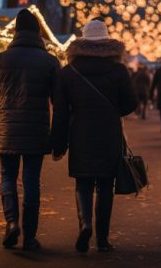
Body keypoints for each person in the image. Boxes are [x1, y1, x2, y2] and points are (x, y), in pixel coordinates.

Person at [0, 9, 61, 251]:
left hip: (7, 132)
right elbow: (60, 104)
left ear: (15, 32)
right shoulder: (50, 62)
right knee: (32, 182)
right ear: (37, 32)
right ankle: (31, 237)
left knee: (7, 178)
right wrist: (57, 138)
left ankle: (11, 223)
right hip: (37, 133)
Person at [51, 20, 137, 253]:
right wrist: (113, 110)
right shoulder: (119, 70)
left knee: (83, 182)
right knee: (106, 185)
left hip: (80, 133)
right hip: (109, 133)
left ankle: (85, 223)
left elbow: (60, 111)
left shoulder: (69, 72)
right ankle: (102, 239)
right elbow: (130, 104)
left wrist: (58, 145)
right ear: (108, 42)